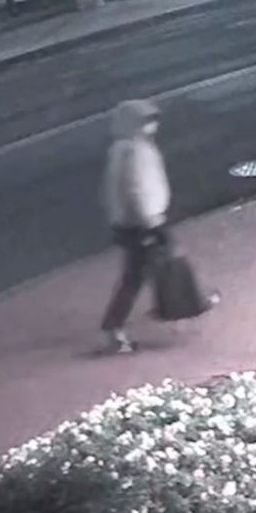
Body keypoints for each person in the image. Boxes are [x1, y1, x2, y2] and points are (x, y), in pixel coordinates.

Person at [99, 99, 172, 353]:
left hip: (130, 221)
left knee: (148, 267)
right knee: (136, 274)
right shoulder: (134, 151)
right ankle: (113, 329)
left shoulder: (122, 148)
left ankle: (178, 301)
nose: (153, 126)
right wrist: (149, 220)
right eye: (146, 122)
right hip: (141, 222)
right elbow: (135, 189)